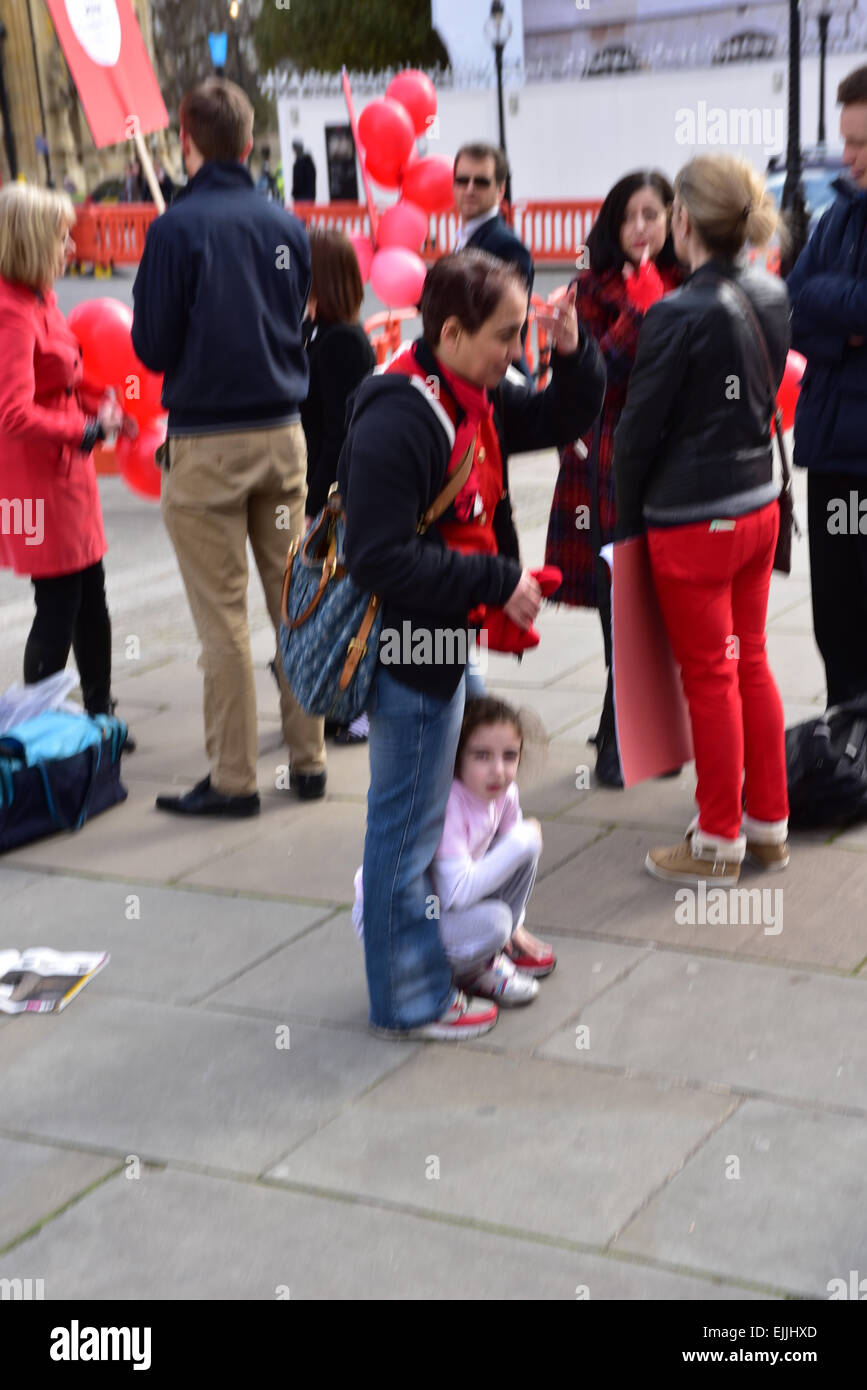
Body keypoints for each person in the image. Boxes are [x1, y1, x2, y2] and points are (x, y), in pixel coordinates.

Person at [336, 249, 605, 1039]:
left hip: (441, 640)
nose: (516, 354)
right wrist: (494, 580)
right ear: (450, 332)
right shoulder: (400, 416)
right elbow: (377, 557)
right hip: (410, 649)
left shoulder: (470, 392)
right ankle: (410, 996)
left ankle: (454, 954)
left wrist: (572, 351)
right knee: (405, 830)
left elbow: (557, 417)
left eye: (523, 334)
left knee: (426, 819)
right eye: (507, 336)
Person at [131, 77, 326, 817]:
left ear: (187, 142)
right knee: (291, 606)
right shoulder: (284, 224)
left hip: (208, 445)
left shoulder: (174, 228)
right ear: (248, 143)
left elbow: (151, 346)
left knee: (222, 621)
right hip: (282, 435)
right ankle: (307, 761)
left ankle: (235, 778)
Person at [613, 155, 791, 885]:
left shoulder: (675, 312)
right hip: (756, 504)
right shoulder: (770, 291)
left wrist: (626, 523)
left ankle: (717, 838)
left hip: (693, 518)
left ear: (682, 221)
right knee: (748, 660)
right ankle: (766, 824)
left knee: (711, 677)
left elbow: (636, 433)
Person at [545, 170, 683, 788]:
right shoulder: (588, 288)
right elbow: (598, 372)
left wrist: (659, 298)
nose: (639, 228)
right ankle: (620, 732)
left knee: (660, 601)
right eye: (628, 216)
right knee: (617, 596)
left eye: (652, 215)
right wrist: (639, 307)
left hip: (672, 461)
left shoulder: (688, 283)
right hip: (603, 462)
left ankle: (629, 723)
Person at [0, 185, 127, 725]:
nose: (71, 247)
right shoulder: (11, 311)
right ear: (31, 243)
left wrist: (106, 406)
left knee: (89, 594)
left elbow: (66, 375)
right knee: (58, 604)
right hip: (37, 482)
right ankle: (38, 727)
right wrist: (87, 429)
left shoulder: (39, 297)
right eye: (61, 237)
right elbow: (13, 413)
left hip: (66, 472)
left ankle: (99, 709)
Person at [353, 696, 548, 1006]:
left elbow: (515, 854)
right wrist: (522, 842)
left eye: (510, 756)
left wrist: (516, 922)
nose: (498, 770)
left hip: (445, 905)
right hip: (397, 921)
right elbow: (456, 891)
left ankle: (489, 949)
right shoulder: (451, 804)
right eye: (482, 756)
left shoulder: (505, 792)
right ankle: (465, 971)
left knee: (521, 854)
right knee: (498, 914)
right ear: (458, 757)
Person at [786, 64, 867, 707]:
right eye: (847, 140)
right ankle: (847, 735)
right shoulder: (837, 215)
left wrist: (827, 309)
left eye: (863, 142)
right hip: (832, 447)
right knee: (835, 613)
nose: (850, 156)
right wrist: (846, 330)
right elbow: (791, 306)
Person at [298, 226, 376, 745]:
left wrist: (316, 504)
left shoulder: (342, 341)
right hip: (327, 492)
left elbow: (337, 432)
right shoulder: (319, 334)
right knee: (325, 603)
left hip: (336, 497)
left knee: (339, 604)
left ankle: (352, 705)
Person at [453, 143, 533, 376]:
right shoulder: (468, 235)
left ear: (500, 190)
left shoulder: (506, 246)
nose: (469, 189)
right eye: (462, 180)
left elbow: (495, 324)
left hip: (494, 379)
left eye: (481, 182)